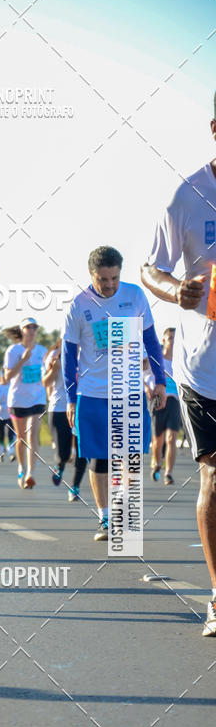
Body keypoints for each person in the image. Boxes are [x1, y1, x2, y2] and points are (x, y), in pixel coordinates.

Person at [141, 99, 216, 633]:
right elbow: (152, 266)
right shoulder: (187, 196)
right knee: (215, 474)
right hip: (203, 365)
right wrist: (176, 290)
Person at [63, 245, 166, 541]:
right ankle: (106, 519)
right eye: (103, 279)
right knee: (101, 459)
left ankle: (124, 514)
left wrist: (159, 379)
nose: (109, 285)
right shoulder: (78, 305)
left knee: (129, 457)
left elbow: (151, 341)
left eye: (114, 278)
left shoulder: (134, 296)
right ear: (91, 275)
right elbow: (68, 356)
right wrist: (71, 398)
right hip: (93, 394)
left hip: (129, 392)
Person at [42, 337, 87, 500]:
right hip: (60, 407)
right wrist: (54, 370)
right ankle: (59, 466)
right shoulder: (54, 355)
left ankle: (75, 486)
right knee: (64, 453)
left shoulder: (87, 353)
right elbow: (45, 383)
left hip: (83, 406)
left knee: (82, 449)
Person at [4, 317, 46, 488]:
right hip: (18, 399)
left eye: (35, 327)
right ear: (22, 330)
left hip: (38, 398)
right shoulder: (13, 350)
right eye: (28, 327)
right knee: (21, 438)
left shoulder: (43, 351)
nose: (32, 329)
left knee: (32, 435)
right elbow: (7, 377)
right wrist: (22, 360)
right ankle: (21, 467)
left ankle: (31, 473)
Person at [146, 328, 181, 485]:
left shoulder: (181, 361)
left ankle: (169, 473)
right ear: (164, 340)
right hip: (158, 399)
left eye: (175, 338)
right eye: (170, 338)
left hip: (174, 400)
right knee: (158, 440)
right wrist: (147, 387)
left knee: (171, 437)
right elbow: (144, 374)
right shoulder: (157, 358)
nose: (173, 341)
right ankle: (157, 463)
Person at [0, 371, 14, 462]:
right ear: (0, 376)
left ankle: (11, 453)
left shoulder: (11, 386)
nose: (4, 377)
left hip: (10, 414)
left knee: (10, 433)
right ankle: (0, 454)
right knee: (1, 434)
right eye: (2, 375)